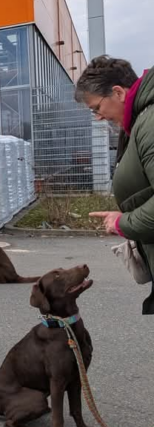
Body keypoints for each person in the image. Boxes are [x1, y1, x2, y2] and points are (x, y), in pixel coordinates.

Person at [79, 56, 154, 315]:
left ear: (118, 92)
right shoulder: (138, 122)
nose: (99, 117)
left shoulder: (149, 123)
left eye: (97, 108)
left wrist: (124, 222)